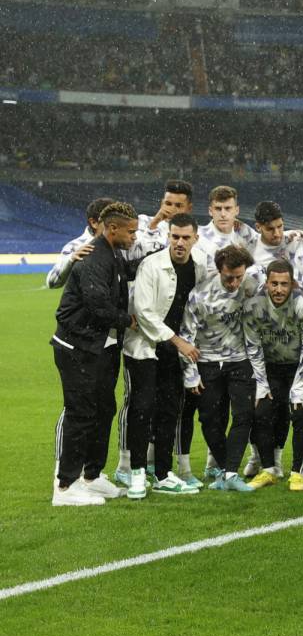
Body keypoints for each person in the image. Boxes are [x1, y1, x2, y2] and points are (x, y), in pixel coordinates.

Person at [50, 202, 139, 506]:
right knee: (81, 414)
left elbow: (128, 270)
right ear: (112, 228)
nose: (134, 237)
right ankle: (65, 486)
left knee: (103, 411)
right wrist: (128, 320)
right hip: (78, 349)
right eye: (130, 231)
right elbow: (98, 307)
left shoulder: (111, 253)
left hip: (98, 348)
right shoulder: (93, 257)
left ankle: (91, 476)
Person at [122, 213, 205, 499]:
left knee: (171, 410)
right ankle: (135, 474)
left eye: (185, 237)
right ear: (168, 236)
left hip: (174, 350)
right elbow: (144, 313)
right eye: (175, 237)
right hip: (145, 347)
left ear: (195, 238)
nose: (180, 243)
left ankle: (162, 474)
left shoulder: (201, 265)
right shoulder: (151, 265)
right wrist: (177, 340)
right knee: (142, 409)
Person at [181, 244, 257, 493]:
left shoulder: (251, 286)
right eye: (229, 277)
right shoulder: (199, 296)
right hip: (207, 362)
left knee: (244, 415)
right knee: (210, 420)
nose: (234, 283)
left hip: (240, 360)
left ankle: (232, 472)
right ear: (218, 270)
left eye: (239, 277)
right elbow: (187, 336)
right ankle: (226, 470)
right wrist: (191, 375)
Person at [243, 260, 303, 492]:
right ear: (266, 283)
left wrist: (300, 385)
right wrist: (260, 382)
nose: (278, 289)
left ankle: (298, 472)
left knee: (300, 413)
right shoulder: (254, 306)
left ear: (292, 284)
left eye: (284, 284)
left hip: (299, 366)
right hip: (270, 367)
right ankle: (269, 470)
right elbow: (253, 346)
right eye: (274, 284)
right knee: (261, 411)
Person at [46, 196, 115, 289]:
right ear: (94, 222)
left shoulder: (123, 244)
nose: (116, 226)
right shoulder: (74, 247)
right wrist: (71, 260)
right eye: (111, 221)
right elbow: (52, 282)